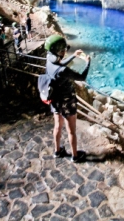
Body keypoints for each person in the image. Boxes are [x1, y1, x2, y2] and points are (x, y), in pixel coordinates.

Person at [44, 34, 90, 163]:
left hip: (55, 99)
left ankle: (57, 151)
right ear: (59, 51)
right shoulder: (63, 70)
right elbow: (82, 77)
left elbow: (58, 63)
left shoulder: (49, 61)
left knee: (57, 126)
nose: (65, 52)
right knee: (71, 131)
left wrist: (73, 56)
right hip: (67, 101)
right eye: (64, 50)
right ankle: (75, 155)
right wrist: (88, 62)